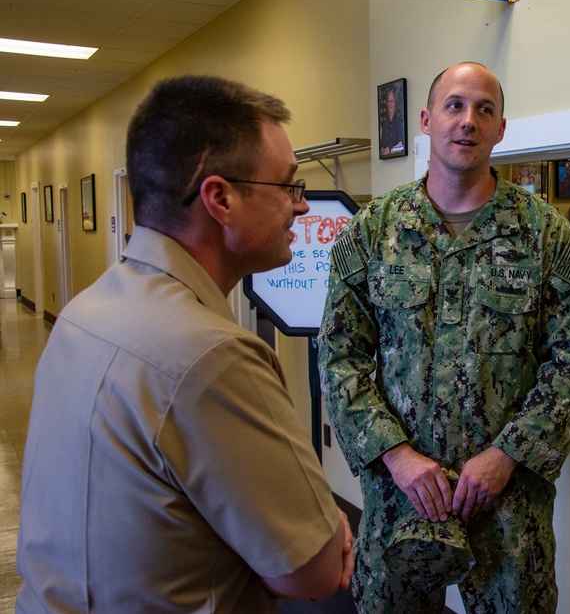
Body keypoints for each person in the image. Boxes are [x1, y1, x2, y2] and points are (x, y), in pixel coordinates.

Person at [16, 75, 354, 613]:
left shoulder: (86, 311)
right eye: (288, 186)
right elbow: (315, 568)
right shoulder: (210, 356)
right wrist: (328, 521)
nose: (302, 207)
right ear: (220, 198)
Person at [319, 62, 570, 613]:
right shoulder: (374, 231)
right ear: (425, 120)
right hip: (402, 497)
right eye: (454, 105)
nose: (467, 120)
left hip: (507, 504)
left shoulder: (545, 236)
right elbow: (338, 354)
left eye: (484, 109)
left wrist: (506, 455)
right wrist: (396, 456)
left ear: (500, 129)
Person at [379, 86, 405, 156]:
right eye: (388, 102)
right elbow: (382, 146)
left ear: (394, 103)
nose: (390, 104)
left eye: (391, 101)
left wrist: (390, 151)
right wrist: (382, 150)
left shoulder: (399, 122)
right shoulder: (384, 125)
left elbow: (401, 145)